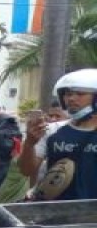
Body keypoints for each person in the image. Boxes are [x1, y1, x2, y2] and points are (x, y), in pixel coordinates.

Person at [19, 69, 97, 201]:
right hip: (56, 210)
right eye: (67, 94)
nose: (71, 98)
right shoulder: (51, 130)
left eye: (80, 94)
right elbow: (26, 170)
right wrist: (29, 144)